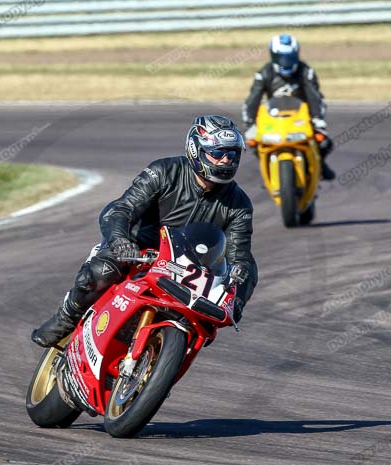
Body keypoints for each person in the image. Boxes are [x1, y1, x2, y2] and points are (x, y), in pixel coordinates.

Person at [31, 115, 258, 348]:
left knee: (241, 277)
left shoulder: (239, 204)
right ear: (196, 150)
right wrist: (120, 241)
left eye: (232, 155)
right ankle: (66, 318)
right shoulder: (164, 171)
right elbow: (122, 209)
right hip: (138, 249)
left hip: (189, 268)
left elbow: (239, 253)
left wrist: (236, 295)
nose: (225, 161)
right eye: (218, 153)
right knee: (102, 271)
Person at [242, 34, 336, 181]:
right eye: (281, 57)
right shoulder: (264, 73)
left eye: (290, 57)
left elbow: (315, 97)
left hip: (302, 117)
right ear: (273, 56)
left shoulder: (306, 72)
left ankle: (320, 165)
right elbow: (253, 100)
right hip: (274, 117)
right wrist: (250, 124)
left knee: (324, 142)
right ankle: (269, 168)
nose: (286, 62)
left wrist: (317, 120)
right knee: (255, 143)